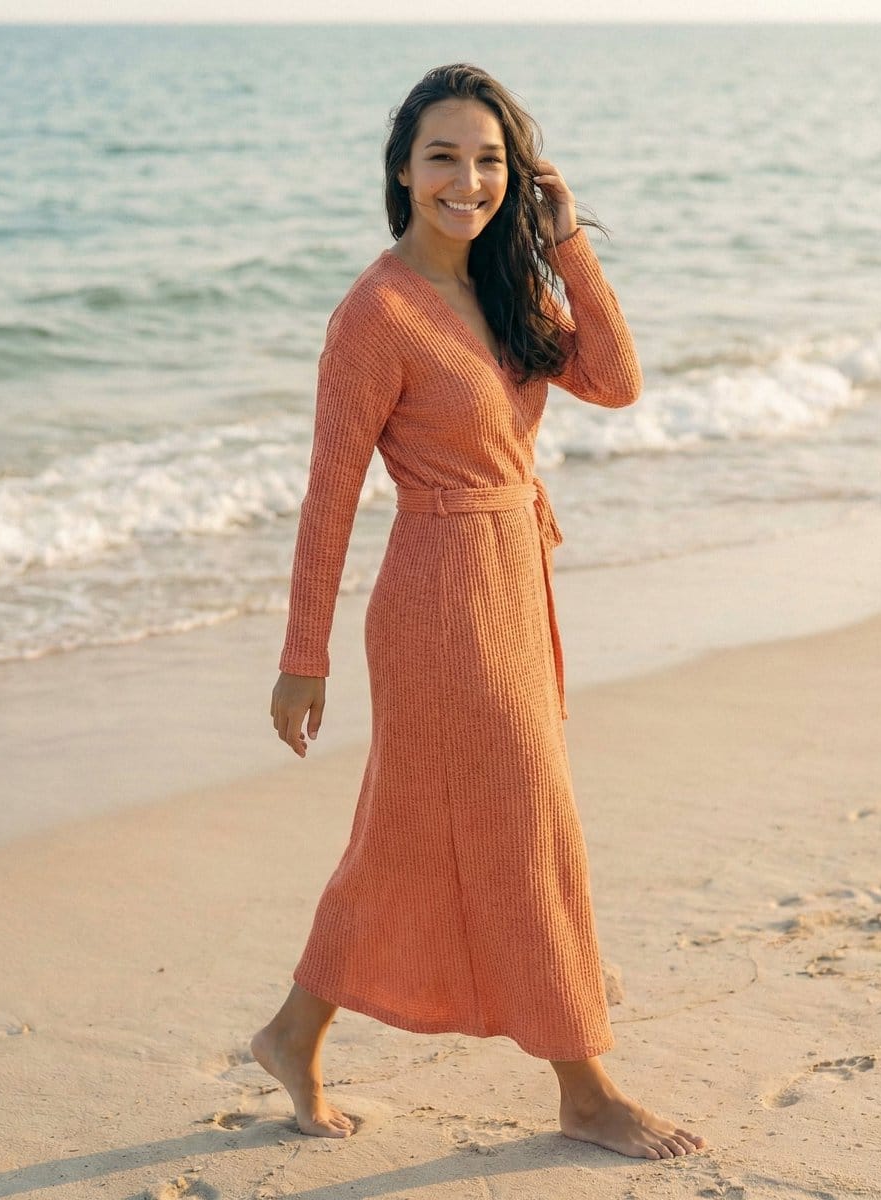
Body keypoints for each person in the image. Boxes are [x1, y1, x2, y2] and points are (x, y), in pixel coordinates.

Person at [253, 63, 707, 1163]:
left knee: (404, 840)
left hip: (514, 575)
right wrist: (301, 656)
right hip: (439, 598)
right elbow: (329, 496)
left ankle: (290, 1033)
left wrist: (564, 241)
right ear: (402, 170)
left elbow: (616, 378)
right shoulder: (374, 313)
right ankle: (584, 1087)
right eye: (444, 156)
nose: (467, 179)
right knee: (530, 823)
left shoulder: (504, 285)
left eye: (490, 159)